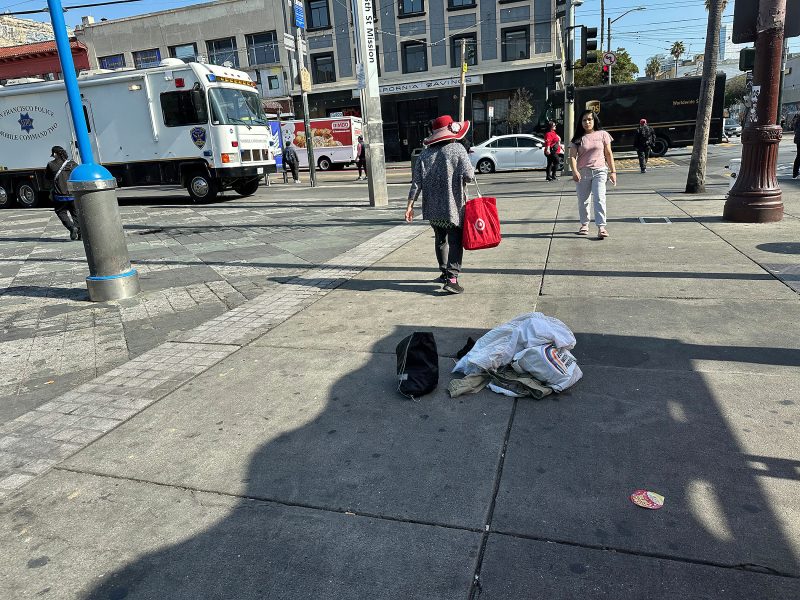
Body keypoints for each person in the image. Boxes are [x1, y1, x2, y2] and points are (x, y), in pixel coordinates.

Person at [405, 115, 475, 294]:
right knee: (455, 240)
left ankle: (444, 271)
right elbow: (469, 176)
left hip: (432, 209)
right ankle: (452, 278)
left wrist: (410, 206)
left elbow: (416, 183)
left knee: (440, 239)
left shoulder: (424, 154)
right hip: (453, 207)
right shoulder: (457, 149)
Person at [569, 110, 616, 240]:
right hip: (583, 173)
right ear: (581, 122)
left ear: (594, 120)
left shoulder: (603, 134)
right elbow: (572, 156)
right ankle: (584, 224)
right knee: (583, 200)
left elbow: (608, 154)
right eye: (584, 120)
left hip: (600, 171)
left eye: (590, 119)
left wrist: (613, 171)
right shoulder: (577, 138)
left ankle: (601, 227)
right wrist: (574, 171)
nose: (587, 122)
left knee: (600, 198)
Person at [44, 146, 80, 241]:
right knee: (76, 213)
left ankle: (71, 228)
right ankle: (80, 235)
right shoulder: (72, 164)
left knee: (60, 212)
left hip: (60, 195)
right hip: (73, 194)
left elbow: (47, 178)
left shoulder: (51, 165)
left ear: (55, 154)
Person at [793, 114, 800, 179]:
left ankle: (795, 173)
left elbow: (795, 129)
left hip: (798, 139)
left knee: (798, 156)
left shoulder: (798, 118)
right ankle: (796, 173)